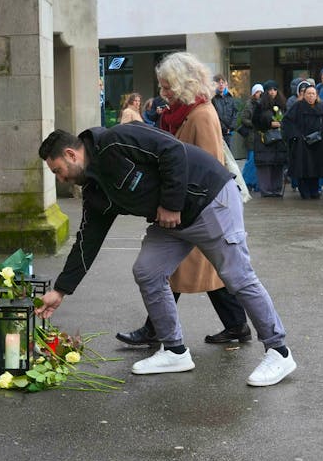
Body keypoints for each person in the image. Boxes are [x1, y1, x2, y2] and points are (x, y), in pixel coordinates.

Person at [36, 126, 297, 387]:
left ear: (71, 154)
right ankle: (175, 351)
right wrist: (60, 290)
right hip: (173, 221)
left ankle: (279, 352)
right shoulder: (94, 190)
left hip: (209, 199)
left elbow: (172, 149)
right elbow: (87, 240)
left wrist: (171, 204)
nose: (60, 179)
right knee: (147, 271)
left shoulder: (116, 141)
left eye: (57, 171)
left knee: (237, 277)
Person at [116, 53, 252, 348]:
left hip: (195, 207)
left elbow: (211, 165)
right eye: (162, 87)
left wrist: (178, 201)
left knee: (183, 270)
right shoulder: (181, 112)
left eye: (168, 87)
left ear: (185, 84)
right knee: (199, 270)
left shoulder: (201, 114)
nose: (163, 93)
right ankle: (235, 325)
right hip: (187, 205)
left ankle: (158, 330)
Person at [283, 82, 323, 199]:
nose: (310, 96)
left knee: (316, 167)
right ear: (304, 95)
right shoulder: (297, 106)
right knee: (303, 168)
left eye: (313, 94)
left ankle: (315, 190)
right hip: (302, 143)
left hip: (318, 142)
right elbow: (287, 121)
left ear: (316, 95)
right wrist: (296, 135)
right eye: (308, 94)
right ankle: (304, 191)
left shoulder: (322, 107)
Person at [252, 80, 289, 197]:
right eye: (269, 90)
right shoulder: (260, 105)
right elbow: (255, 121)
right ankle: (266, 190)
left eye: (274, 89)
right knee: (265, 165)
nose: (272, 92)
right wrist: (269, 124)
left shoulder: (282, 104)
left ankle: (277, 189)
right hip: (265, 140)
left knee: (277, 165)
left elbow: (287, 120)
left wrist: (281, 124)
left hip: (279, 140)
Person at [238, 84, 263, 192]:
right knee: (252, 160)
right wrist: (255, 123)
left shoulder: (263, 104)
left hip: (259, 135)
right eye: (258, 92)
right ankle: (247, 182)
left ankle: (256, 183)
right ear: (254, 93)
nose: (260, 94)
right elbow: (244, 119)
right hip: (252, 136)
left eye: (261, 92)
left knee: (257, 161)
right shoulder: (249, 104)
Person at [211, 74, 240, 148]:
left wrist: (231, 127)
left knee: (228, 154)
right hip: (217, 131)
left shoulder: (230, 98)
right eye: (218, 82)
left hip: (228, 132)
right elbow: (214, 116)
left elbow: (235, 113)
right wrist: (224, 128)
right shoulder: (212, 99)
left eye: (222, 82)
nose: (221, 85)